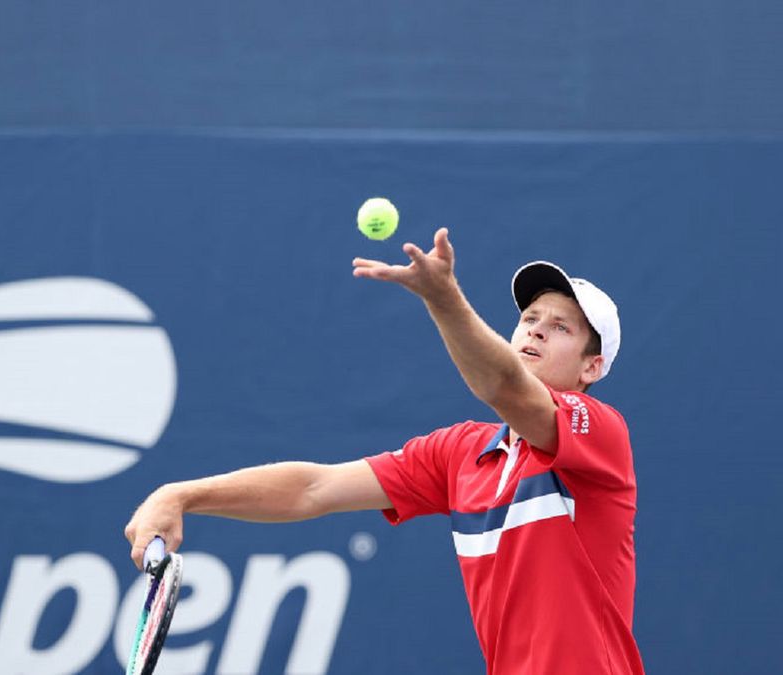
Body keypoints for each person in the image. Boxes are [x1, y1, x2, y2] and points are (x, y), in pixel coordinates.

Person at [123, 228, 645, 674]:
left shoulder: (599, 435)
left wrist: (443, 298)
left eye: (561, 328)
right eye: (531, 317)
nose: (536, 330)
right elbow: (313, 489)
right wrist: (181, 494)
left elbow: (506, 388)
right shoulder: (459, 454)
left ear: (591, 368)